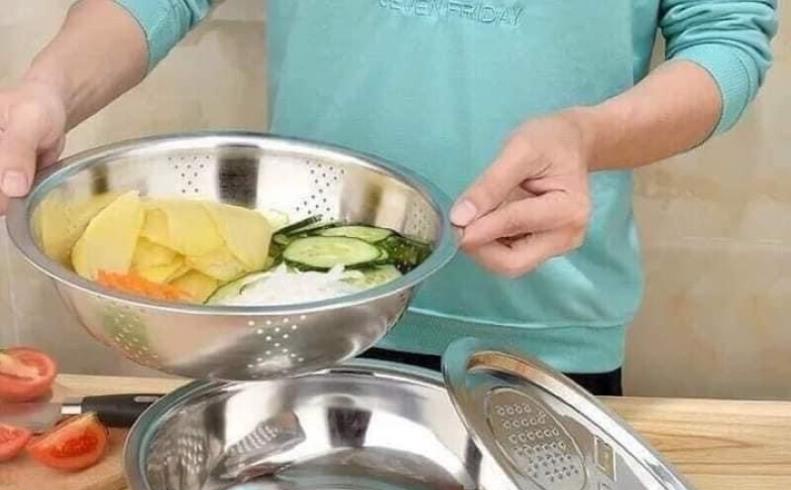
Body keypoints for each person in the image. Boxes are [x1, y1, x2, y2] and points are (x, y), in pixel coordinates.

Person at [0, 1, 777, 396]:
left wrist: (589, 136)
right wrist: (48, 89)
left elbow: (724, 39)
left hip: (542, 334)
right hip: (293, 315)